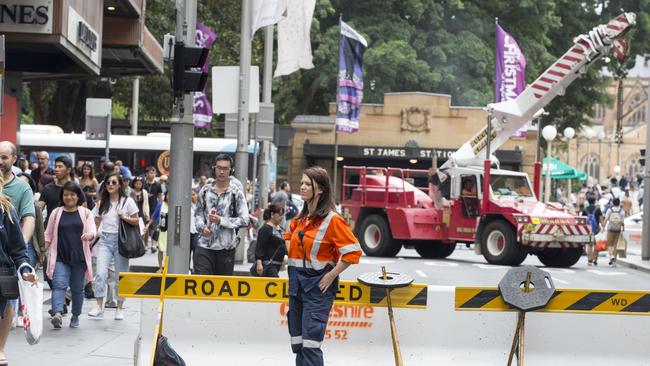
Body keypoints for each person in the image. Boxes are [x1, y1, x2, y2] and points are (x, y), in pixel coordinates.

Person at [284, 166, 362, 365]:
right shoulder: (300, 220)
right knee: (299, 345)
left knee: (310, 346)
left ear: (320, 189)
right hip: (296, 288)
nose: (301, 187)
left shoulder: (333, 220)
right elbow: (288, 236)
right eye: (301, 183)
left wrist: (331, 275)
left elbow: (353, 252)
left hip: (317, 289)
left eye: (307, 184)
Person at [44, 182, 96, 328]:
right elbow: (48, 235)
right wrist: (42, 251)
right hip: (60, 256)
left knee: (77, 289)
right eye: (66, 194)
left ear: (78, 196)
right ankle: (57, 314)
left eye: (72, 194)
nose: (69, 197)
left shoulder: (86, 213)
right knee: (58, 285)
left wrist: (89, 235)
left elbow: (93, 230)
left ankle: (75, 315)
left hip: (79, 258)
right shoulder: (56, 213)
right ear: (62, 196)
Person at [89, 173, 139, 319]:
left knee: (120, 276)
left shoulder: (127, 201)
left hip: (121, 242)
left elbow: (136, 220)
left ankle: (120, 307)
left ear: (119, 185)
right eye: (108, 182)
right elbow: (96, 221)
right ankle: (99, 305)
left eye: (114, 182)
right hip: (104, 240)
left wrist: (124, 216)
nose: (110, 185)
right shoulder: (102, 202)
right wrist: (92, 238)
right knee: (100, 274)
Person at [0, 173, 38, 364]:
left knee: (5, 307)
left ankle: (0, 348)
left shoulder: (6, 211)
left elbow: (18, 249)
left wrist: (25, 270)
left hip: (1, 270)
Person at [0, 142, 37, 329]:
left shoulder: (22, 188)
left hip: (9, 252)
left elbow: (29, 218)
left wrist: (20, 243)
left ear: (14, 159)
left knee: (7, 296)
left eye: (4, 157)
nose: (0, 161)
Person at [194, 154, 249, 276]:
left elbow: (245, 220)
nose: (221, 172)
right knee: (202, 287)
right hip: (204, 246)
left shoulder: (236, 193)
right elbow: (198, 213)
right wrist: (202, 228)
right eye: (219, 168)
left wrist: (221, 220)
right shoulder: (205, 190)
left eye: (225, 168)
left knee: (221, 290)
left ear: (231, 170)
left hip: (226, 249)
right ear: (214, 169)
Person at [39, 155, 83, 226]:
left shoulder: (76, 188)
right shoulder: (48, 188)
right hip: (51, 228)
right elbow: (38, 209)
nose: (56, 169)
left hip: (71, 228)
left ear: (68, 170)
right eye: (55, 166)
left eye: (60, 167)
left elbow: (83, 209)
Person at [254, 204, 287, 278]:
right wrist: (259, 263)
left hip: (278, 264)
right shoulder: (265, 229)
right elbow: (260, 247)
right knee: (275, 285)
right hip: (268, 265)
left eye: (283, 215)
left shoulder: (280, 229)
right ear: (272, 214)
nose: (282, 217)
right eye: (280, 214)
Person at [144, 167, 162, 253]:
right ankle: (146, 244)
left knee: (155, 227)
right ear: (146, 174)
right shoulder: (143, 183)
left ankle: (154, 244)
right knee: (145, 227)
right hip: (145, 208)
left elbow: (160, 196)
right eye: (150, 173)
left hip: (154, 207)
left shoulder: (158, 184)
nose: (152, 174)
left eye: (153, 173)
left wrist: (160, 206)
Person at [580, 197, 603, 266]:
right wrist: (603, 227)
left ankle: (589, 260)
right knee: (596, 245)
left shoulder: (585, 210)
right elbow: (601, 219)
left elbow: (582, 220)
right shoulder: (598, 209)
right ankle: (595, 259)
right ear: (595, 201)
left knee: (589, 245)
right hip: (596, 230)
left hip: (588, 230)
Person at [604, 197, 625, 267]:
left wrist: (603, 227)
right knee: (616, 245)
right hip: (618, 230)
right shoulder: (622, 211)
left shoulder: (610, 210)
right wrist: (622, 228)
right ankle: (614, 261)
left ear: (613, 203)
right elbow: (622, 222)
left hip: (610, 229)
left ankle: (611, 256)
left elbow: (606, 219)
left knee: (610, 244)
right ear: (619, 203)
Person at [151, 193, 168, 273]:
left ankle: (168, 267)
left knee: (170, 251)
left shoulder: (176, 204)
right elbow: (154, 216)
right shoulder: (160, 205)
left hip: (173, 232)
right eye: (168, 194)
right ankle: (161, 267)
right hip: (162, 230)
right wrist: (147, 226)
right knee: (161, 249)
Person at [189, 189, 199, 271]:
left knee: (196, 252)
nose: (192, 197)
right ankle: (187, 268)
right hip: (188, 231)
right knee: (187, 252)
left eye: (194, 194)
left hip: (196, 231)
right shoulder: (187, 205)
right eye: (191, 195)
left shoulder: (200, 205)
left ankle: (195, 269)